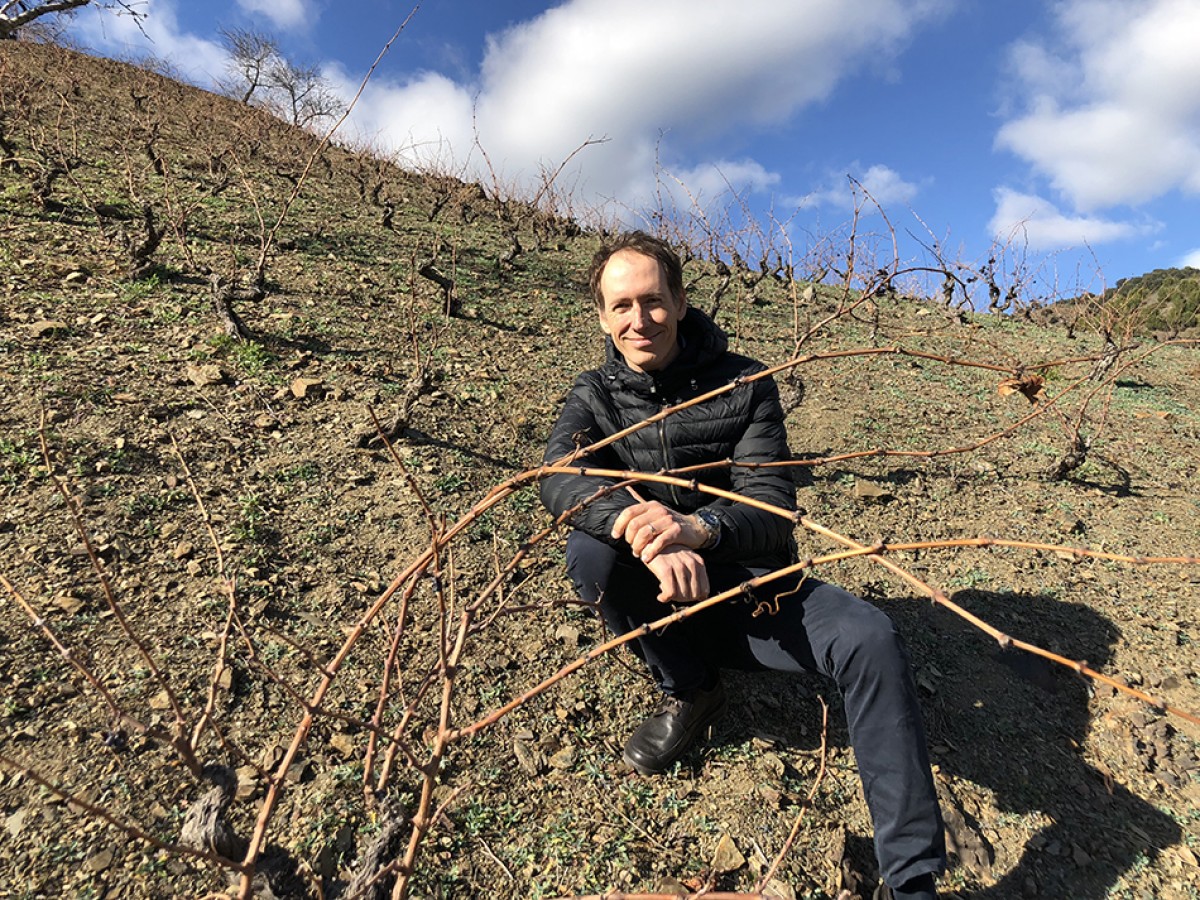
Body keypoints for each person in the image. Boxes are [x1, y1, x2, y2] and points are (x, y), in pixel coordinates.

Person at [538, 232, 946, 900]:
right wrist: (644, 534)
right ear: (602, 317)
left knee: (870, 638)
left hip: (758, 594)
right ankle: (692, 689)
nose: (638, 320)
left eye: (652, 301)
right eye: (621, 306)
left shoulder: (745, 383)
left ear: (680, 300)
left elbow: (773, 508)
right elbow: (562, 476)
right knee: (589, 552)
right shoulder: (595, 395)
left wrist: (698, 528)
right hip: (664, 601)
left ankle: (913, 882)